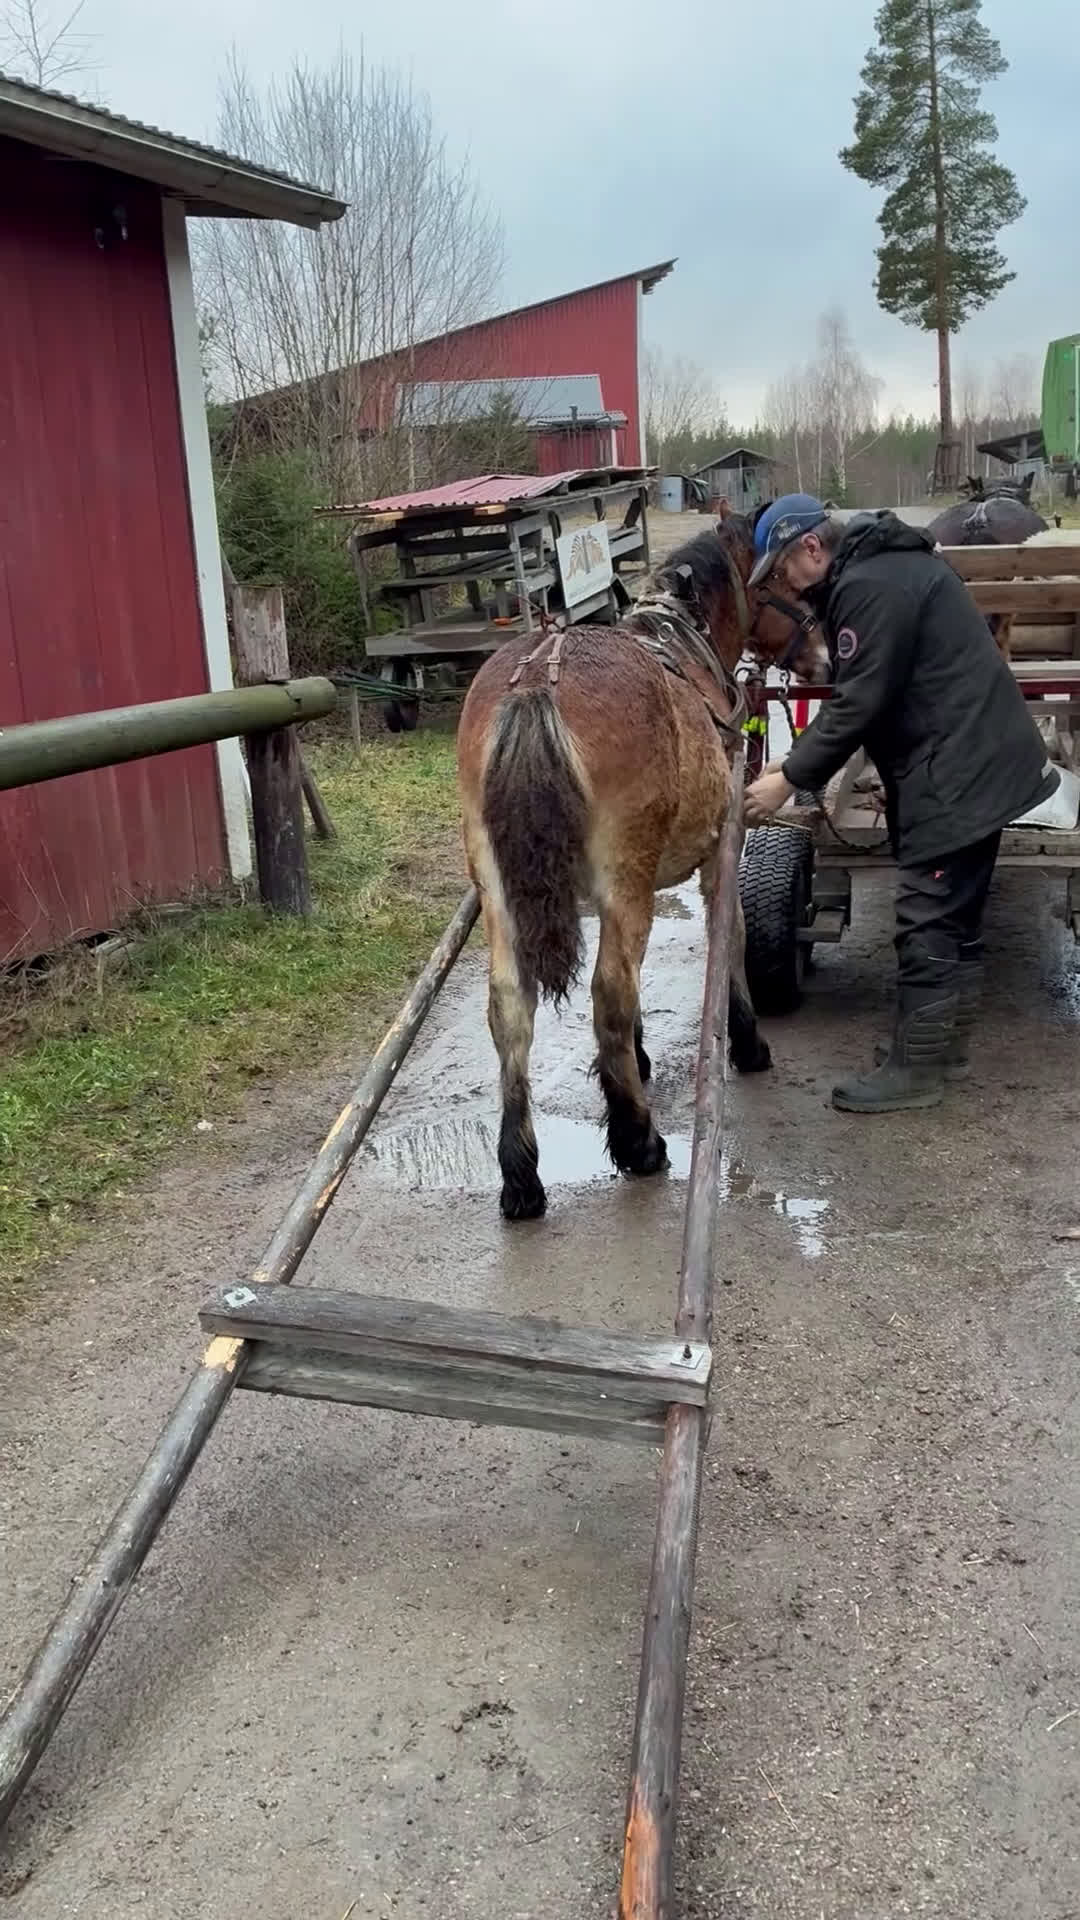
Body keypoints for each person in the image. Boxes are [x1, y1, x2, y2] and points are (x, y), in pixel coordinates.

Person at [743, 493, 1059, 1114]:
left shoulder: (869, 587)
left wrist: (790, 778)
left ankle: (915, 1072)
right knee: (956, 922)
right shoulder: (887, 568)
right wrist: (795, 760)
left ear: (813, 547)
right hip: (982, 756)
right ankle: (945, 1051)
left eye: (783, 572)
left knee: (926, 919)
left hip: (960, 769)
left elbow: (862, 700)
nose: (787, 587)